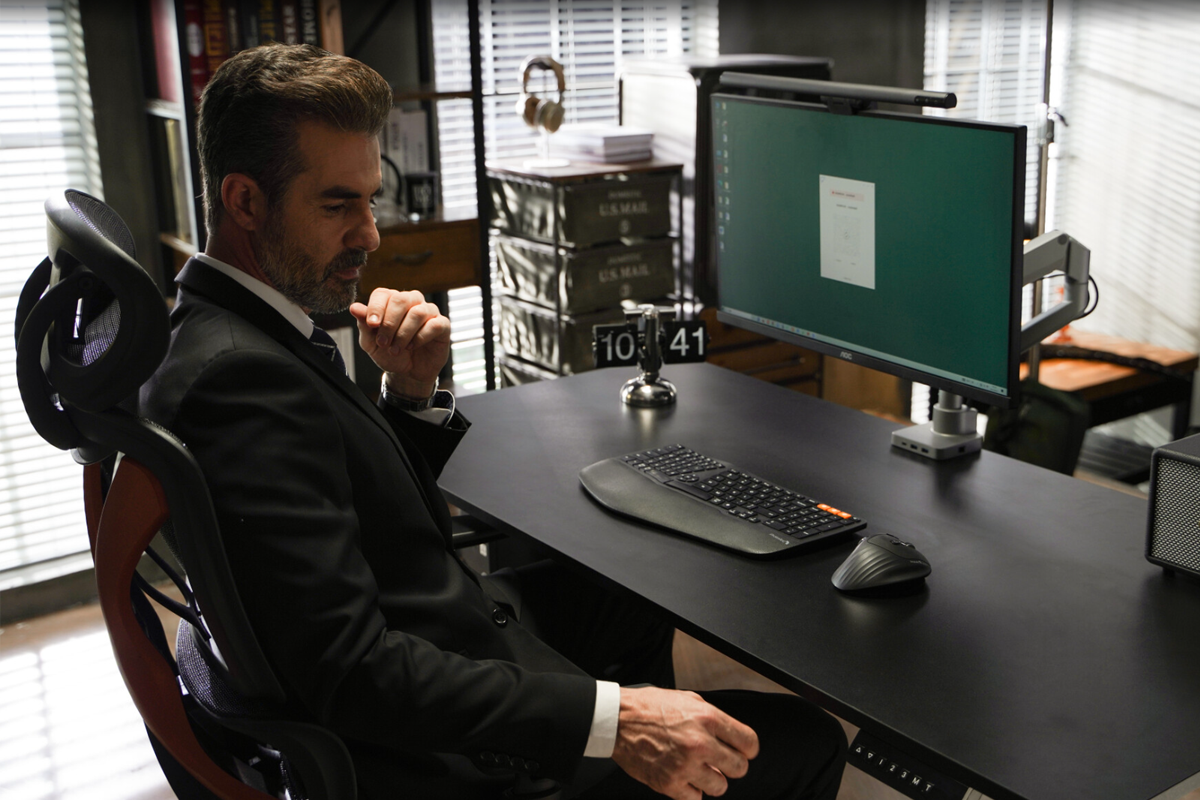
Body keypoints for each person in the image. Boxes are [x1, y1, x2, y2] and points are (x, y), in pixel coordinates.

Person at [141, 42, 846, 800]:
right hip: (441, 758)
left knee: (625, 605)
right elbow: (350, 674)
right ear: (245, 201)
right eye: (338, 204)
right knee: (803, 739)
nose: (370, 235)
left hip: (442, 632)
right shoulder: (240, 382)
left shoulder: (233, 330)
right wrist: (617, 720)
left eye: (370, 200)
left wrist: (410, 396)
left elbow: (354, 510)